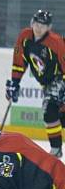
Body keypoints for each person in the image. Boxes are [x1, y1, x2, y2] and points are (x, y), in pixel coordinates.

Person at [6, 10, 65, 157]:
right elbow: (19, 62)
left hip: (59, 79)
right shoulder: (24, 37)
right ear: (32, 23)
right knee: (59, 116)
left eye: (43, 25)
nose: (39, 28)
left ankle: (56, 150)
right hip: (46, 84)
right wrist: (15, 82)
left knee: (49, 109)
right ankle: (56, 148)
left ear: (49, 27)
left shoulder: (56, 42)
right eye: (37, 24)